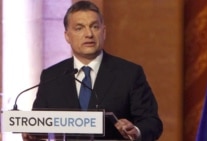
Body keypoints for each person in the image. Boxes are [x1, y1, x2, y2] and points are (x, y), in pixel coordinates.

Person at [22, 0, 163, 141]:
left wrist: (136, 131)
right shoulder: (51, 76)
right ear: (67, 36)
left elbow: (152, 123)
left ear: (104, 32)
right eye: (79, 28)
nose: (89, 34)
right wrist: (31, 135)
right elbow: (38, 125)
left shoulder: (129, 74)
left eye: (94, 27)